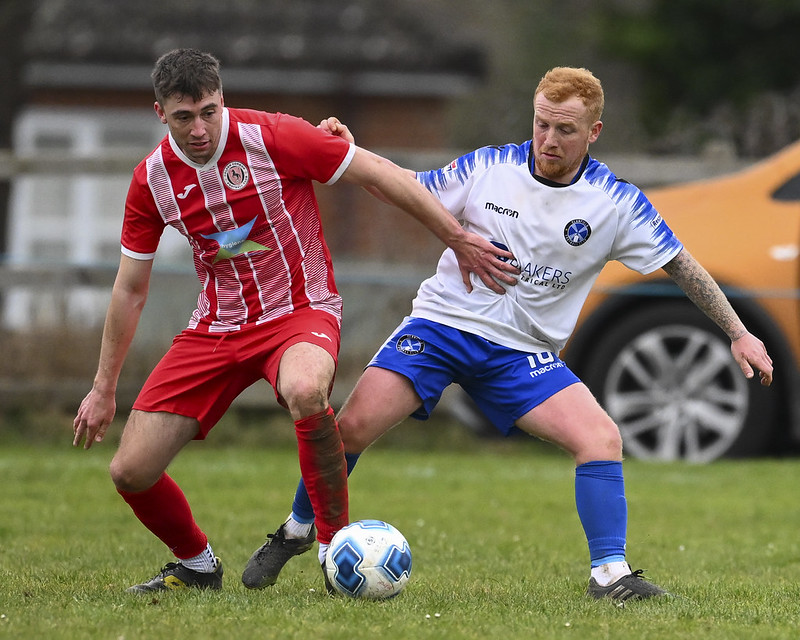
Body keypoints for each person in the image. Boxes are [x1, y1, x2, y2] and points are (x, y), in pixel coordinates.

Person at [244, 66, 775, 601]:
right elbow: (411, 190)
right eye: (542, 123)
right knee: (350, 427)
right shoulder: (490, 165)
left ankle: (610, 576)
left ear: (594, 132)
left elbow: (681, 264)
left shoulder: (615, 203)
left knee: (601, 439)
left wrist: (739, 332)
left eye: (565, 130)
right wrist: (355, 153)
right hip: (442, 327)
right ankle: (295, 529)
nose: (548, 139)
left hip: (522, 355)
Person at [71, 48, 518, 594]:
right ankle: (196, 564)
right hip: (215, 327)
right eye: (184, 116)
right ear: (160, 113)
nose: (199, 128)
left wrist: (457, 238)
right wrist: (102, 388)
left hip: (298, 310)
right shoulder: (152, 181)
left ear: (221, 98)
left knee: (308, 389)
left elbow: (379, 171)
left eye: (209, 111)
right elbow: (129, 289)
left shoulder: (274, 136)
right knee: (130, 471)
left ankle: (332, 549)